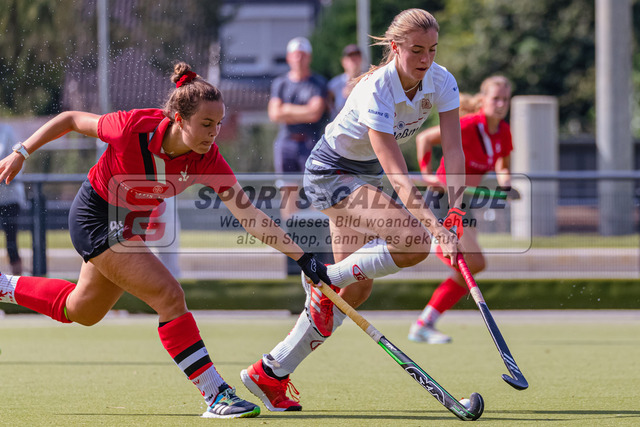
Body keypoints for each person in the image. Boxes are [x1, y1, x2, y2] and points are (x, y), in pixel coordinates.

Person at [0, 62, 330, 419]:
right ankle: (216, 395)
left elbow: (250, 216)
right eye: (206, 124)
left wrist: (304, 258)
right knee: (169, 295)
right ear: (178, 119)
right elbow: (69, 119)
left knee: (83, 310)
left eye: (218, 124)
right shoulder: (131, 127)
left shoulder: (208, 159)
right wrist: (21, 152)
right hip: (94, 217)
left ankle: (3, 286)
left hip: (130, 226)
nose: (214, 134)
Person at [240, 8, 466, 412]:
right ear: (395, 47)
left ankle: (270, 371)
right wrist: (436, 229)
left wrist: (457, 213)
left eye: (432, 49)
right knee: (415, 241)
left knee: (353, 292)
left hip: (362, 177)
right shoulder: (377, 88)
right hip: (331, 173)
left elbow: (454, 148)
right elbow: (397, 174)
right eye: (416, 50)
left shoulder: (442, 81)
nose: (426, 59)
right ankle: (325, 278)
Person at [409, 75, 513, 344]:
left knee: (473, 264)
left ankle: (424, 323)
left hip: (465, 204)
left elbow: (503, 164)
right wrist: (427, 174)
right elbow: (424, 139)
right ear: (483, 100)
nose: (501, 104)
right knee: (470, 262)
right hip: (444, 198)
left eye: (505, 99)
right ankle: (437, 244)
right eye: (495, 99)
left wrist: (506, 184)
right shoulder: (468, 125)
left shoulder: (503, 131)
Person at [269, 36, 328, 221]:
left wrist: (286, 109)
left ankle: (315, 234)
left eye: (302, 55)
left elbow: (315, 113)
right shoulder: (280, 83)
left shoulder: (318, 83)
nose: (299, 59)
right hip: (286, 143)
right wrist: (303, 111)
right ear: (289, 58)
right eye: (295, 55)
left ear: (309, 57)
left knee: (315, 189)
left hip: (311, 142)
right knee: (288, 191)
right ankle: (289, 234)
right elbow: (274, 114)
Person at [0, 124, 26, 275]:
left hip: (10, 198)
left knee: (11, 244)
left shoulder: (7, 130)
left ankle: (16, 280)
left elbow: (19, 158)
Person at [327, 43, 363, 120]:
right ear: (343, 62)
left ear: (361, 60)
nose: (353, 61)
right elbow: (330, 109)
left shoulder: (368, 81)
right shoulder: (334, 84)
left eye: (356, 57)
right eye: (350, 58)